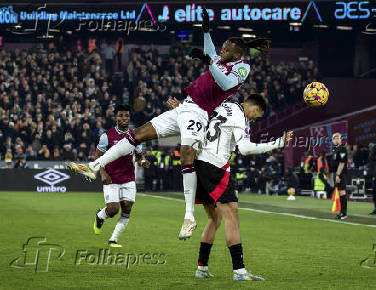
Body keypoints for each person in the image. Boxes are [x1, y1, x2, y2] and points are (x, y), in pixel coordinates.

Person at [65, 7, 271, 240]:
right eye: (222, 48)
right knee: (137, 134)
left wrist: (209, 62)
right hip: (184, 107)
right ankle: (94, 166)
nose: (221, 51)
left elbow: (224, 84)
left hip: (200, 113)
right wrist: (205, 30)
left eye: (226, 49)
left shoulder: (242, 67)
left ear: (236, 54)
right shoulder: (221, 58)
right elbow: (210, 51)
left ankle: (189, 218)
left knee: (186, 153)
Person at [168, 94, 292, 280]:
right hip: (214, 166)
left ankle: (201, 268)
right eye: (256, 116)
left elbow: (200, 116)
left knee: (215, 218)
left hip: (199, 163)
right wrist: (278, 143)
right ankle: (239, 271)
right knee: (232, 214)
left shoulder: (223, 105)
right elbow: (245, 148)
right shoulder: (240, 117)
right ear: (254, 108)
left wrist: (181, 109)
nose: (253, 119)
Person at [74, 104, 150, 247]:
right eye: (121, 115)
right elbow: (98, 157)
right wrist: (102, 173)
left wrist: (143, 161)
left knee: (127, 206)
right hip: (111, 178)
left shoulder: (135, 136)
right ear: (116, 117)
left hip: (128, 178)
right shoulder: (106, 136)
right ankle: (100, 216)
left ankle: (113, 239)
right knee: (113, 209)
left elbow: (139, 156)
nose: (124, 118)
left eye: (126, 115)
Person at [331, 133, 348, 219]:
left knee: (342, 192)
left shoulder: (342, 149)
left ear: (341, 139)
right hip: (336, 174)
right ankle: (341, 211)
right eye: (335, 138)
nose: (336, 139)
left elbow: (342, 163)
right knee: (339, 192)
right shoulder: (335, 150)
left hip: (341, 174)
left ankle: (344, 213)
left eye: (338, 138)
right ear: (332, 140)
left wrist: (338, 175)